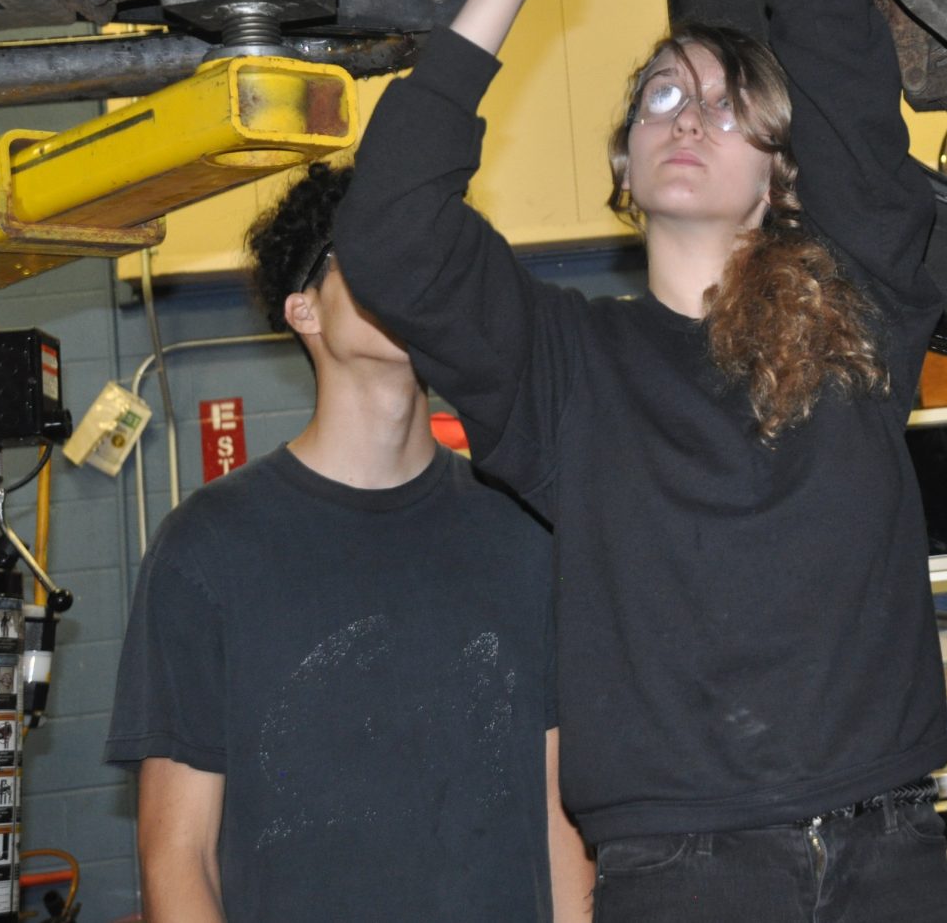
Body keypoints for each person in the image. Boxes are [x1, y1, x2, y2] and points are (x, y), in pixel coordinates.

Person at [329, 0, 947, 922]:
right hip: (687, 880)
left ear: (781, 173)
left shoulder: (856, 318)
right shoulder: (567, 366)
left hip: (891, 859)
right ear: (622, 162)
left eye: (730, 107)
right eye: (664, 95)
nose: (691, 116)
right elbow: (395, 233)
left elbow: (844, 75)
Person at [106, 164, 589, 922]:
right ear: (304, 309)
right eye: (374, 255)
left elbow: (563, 822)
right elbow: (178, 855)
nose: (411, 276)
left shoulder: (525, 526)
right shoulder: (206, 550)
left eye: (428, 256)